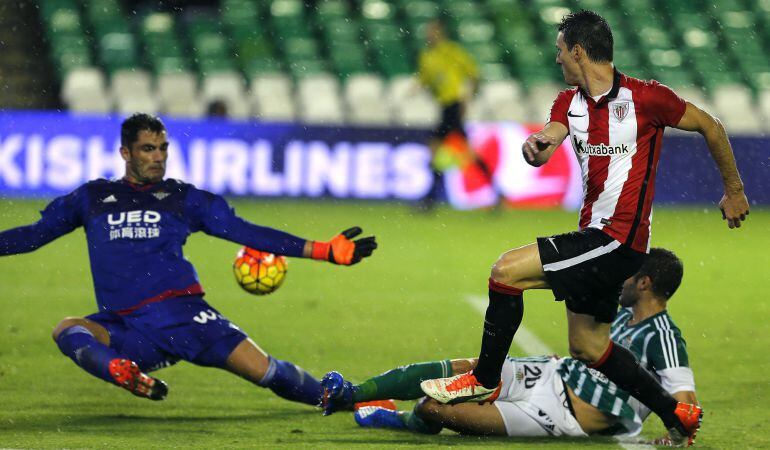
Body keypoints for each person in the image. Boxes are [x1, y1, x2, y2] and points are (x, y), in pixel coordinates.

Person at [419, 10, 748, 446]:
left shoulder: (647, 98)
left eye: (560, 51)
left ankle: (484, 379)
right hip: (597, 238)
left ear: (578, 51)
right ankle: (677, 414)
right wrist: (536, 148)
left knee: (505, 272)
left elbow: (710, 125)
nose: (557, 59)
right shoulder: (567, 102)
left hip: (618, 239)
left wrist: (734, 190)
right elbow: (550, 137)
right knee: (589, 347)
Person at [0, 113, 377, 405]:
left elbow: (245, 232)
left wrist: (323, 250)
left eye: (163, 148)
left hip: (182, 316)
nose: (158, 157)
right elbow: (33, 235)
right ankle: (120, 371)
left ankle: (347, 399)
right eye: (148, 149)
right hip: (128, 328)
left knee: (265, 371)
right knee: (68, 329)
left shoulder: (183, 199)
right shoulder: (92, 197)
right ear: (125, 153)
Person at [322, 249, 697, 444]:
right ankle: (352, 393)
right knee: (468, 369)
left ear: (645, 283)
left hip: (559, 415)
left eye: (629, 274)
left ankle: (407, 419)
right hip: (550, 373)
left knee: (433, 407)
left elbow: (685, 401)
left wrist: (675, 437)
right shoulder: (622, 312)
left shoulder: (663, 336)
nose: (621, 278)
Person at [415, 19, 495, 211]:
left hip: (453, 106)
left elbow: (473, 73)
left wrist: (468, 98)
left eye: (433, 31)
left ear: (441, 32)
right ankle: (496, 192)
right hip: (445, 107)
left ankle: (429, 200)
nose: (430, 35)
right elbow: (425, 80)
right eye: (429, 31)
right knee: (459, 153)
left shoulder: (451, 51)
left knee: (437, 151)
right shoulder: (426, 56)